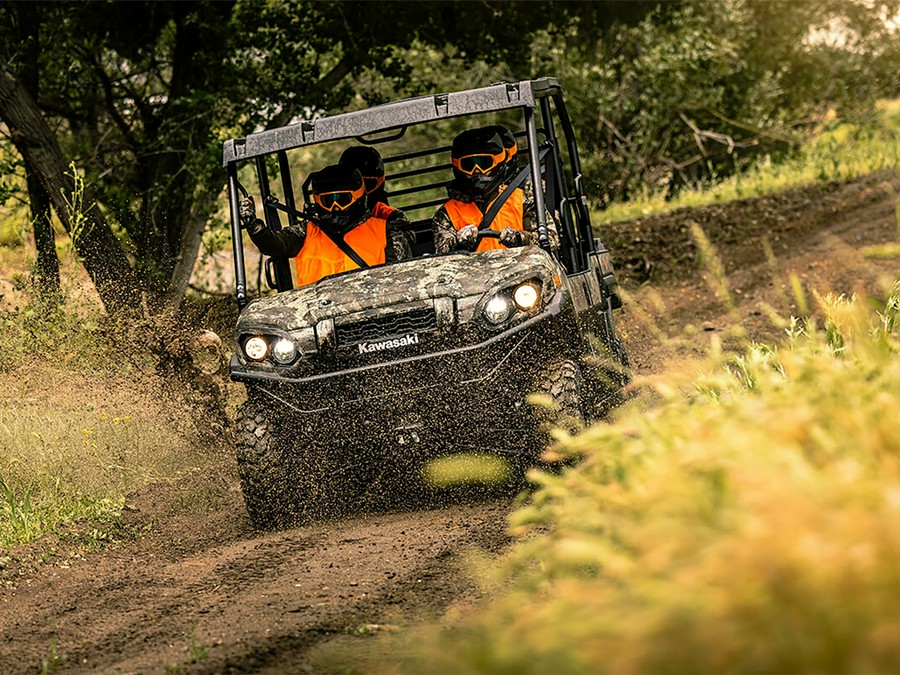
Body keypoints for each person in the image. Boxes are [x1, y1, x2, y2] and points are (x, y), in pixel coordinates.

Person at [239, 164, 411, 287]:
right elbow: (275, 244)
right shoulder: (306, 231)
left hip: (374, 312)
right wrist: (255, 227)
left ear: (359, 196)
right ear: (317, 201)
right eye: (328, 201)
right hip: (315, 318)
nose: (335, 208)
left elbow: (404, 278)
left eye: (342, 200)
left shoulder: (387, 230)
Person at [432, 126, 557, 255]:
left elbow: (551, 240)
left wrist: (521, 239)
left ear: (497, 163)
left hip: (524, 272)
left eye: (484, 163)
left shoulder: (522, 199)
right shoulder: (446, 214)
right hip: (472, 274)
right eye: (469, 165)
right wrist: (458, 243)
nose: (477, 171)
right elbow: (442, 255)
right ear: (458, 167)